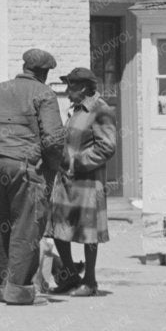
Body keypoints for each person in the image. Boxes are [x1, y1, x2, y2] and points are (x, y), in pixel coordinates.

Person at [0, 47, 65, 304]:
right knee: (26, 227)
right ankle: (18, 289)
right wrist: (52, 168)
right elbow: (54, 139)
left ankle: (1, 284)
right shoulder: (44, 93)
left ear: (24, 67)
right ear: (44, 73)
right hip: (24, 166)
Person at [48, 66, 118, 297]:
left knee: (89, 232)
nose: (68, 92)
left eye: (72, 87)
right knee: (59, 227)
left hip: (88, 182)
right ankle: (70, 275)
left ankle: (90, 280)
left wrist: (77, 162)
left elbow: (107, 147)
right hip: (67, 181)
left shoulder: (100, 110)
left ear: (85, 88)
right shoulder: (77, 110)